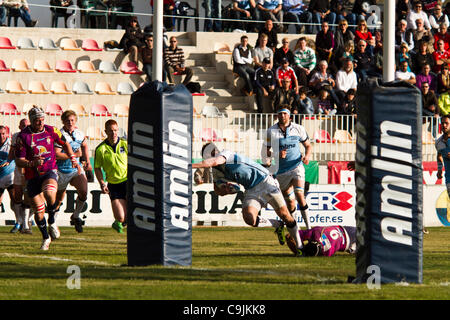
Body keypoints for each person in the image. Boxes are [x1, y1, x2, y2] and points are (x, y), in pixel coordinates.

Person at [193, 142, 306, 256]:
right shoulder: (217, 172)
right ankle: (277, 224)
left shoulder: (226, 154)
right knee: (249, 218)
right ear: (206, 156)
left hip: (265, 181)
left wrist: (190, 165)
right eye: (211, 152)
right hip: (251, 189)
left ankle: (300, 247)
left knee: (286, 215)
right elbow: (218, 190)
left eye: (214, 150)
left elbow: (215, 161)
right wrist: (226, 190)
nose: (215, 152)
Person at [15, 106, 79, 250]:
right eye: (38, 121)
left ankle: (51, 221)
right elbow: (19, 160)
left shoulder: (52, 130)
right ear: (32, 121)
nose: (41, 123)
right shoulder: (23, 136)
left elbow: (66, 143)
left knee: (50, 193)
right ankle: (46, 238)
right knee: (38, 213)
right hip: (32, 176)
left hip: (49, 170)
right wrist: (31, 163)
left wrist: (73, 157)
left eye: (43, 119)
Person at [263, 106, 313, 232]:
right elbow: (265, 151)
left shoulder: (298, 128)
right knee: (290, 203)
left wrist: (306, 156)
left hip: (296, 166)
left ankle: (309, 228)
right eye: (280, 114)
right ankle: (296, 228)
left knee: (299, 195)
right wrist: (276, 155)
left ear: (289, 116)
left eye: (284, 114)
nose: (282, 116)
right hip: (281, 171)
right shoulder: (270, 131)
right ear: (277, 116)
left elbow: (308, 146)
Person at [54, 110, 91, 233]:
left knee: (84, 191)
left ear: (75, 121)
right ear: (63, 121)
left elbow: (84, 145)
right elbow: (57, 155)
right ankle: (52, 222)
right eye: (67, 120)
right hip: (61, 170)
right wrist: (74, 155)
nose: (70, 122)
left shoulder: (79, 134)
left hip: (75, 169)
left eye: (72, 120)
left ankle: (75, 216)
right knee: (58, 199)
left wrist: (87, 161)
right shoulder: (59, 135)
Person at [94, 120, 128, 234]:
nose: (113, 133)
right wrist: (102, 183)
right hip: (114, 185)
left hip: (127, 182)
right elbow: (97, 168)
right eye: (111, 131)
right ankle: (117, 222)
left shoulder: (125, 144)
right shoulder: (101, 149)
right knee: (121, 217)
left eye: (115, 130)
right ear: (106, 132)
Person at [8, 119, 32, 234]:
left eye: (27, 125)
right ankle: (20, 221)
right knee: (17, 196)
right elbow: (12, 150)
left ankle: (26, 224)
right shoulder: (16, 136)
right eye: (23, 125)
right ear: (19, 126)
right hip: (18, 169)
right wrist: (8, 161)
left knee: (29, 198)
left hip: (30, 169)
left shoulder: (33, 136)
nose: (25, 127)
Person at [285, 225, 356, 257]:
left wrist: (298, 251)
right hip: (346, 230)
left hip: (349, 240)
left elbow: (289, 236)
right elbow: (290, 236)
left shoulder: (328, 251)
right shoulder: (315, 232)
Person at [0, 125, 21, 233]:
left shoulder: (10, 145)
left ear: (6, 134)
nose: (1, 136)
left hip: (9, 176)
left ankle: (18, 222)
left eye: (3, 134)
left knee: (15, 200)